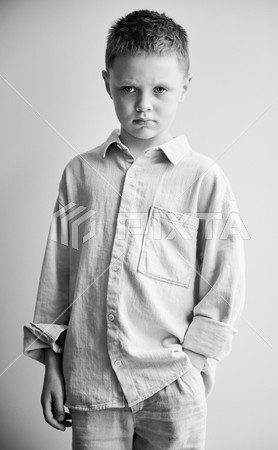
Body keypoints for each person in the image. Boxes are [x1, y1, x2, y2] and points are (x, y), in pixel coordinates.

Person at [23, 9, 246, 450]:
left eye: (160, 89)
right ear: (107, 83)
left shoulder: (204, 178)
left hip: (172, 385)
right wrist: (52, 363)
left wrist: (195, 364)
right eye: (128, 88)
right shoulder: (80, 174)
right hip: (91, 382)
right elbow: (59, 272)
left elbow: (225, 282)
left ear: (184, 87)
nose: (143, 103)